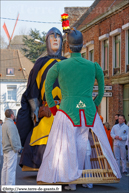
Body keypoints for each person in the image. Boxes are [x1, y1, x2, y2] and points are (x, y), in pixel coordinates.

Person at [37, 28, 121, 190]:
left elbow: (48, 87)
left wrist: (54, 109)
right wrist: (94, 102)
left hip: (67, 110)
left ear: (68, 46)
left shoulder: (59, 66)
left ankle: (71, 181)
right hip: (88, 111)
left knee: (68, 146)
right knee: (84, 143)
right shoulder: (93, 66)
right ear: (82, 46)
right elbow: (101, 88)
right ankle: (87, 179)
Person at [16, 27, 66, 169]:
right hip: (47, 110)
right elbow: (33, 89)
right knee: (43, 134)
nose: (55, 38)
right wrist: (35, 109)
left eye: (58, 36)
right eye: (52, 36)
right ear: (47, 41)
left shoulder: (67, 63)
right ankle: (44, 167)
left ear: (62, 41)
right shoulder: (41, 63)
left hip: (65, 111)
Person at [1, 109, 21, 191]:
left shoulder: (4, 124)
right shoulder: (11, 125)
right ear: (12, 115)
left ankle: (4, 186)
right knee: (11, 170)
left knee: (5, 168)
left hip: (6, 149)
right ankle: (10, 188)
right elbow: (13, 139)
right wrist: (16, 149)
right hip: (11, 150)